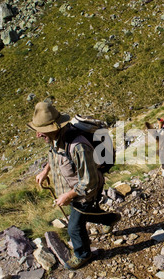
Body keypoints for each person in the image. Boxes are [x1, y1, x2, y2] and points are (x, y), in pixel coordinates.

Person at [27, 101, 120, 270]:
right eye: (38, 131)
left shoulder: (78, 146)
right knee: (84, 215)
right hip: (74, 189)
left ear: (55, 127)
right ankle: (110, 218)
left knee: (74, 228)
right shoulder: (56, 138)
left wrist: (68, 195)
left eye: (42, 131)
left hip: (86, 192)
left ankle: (83, 255)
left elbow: (89, 181)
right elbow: (54, 155)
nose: (38, 135)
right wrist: (45, 171)